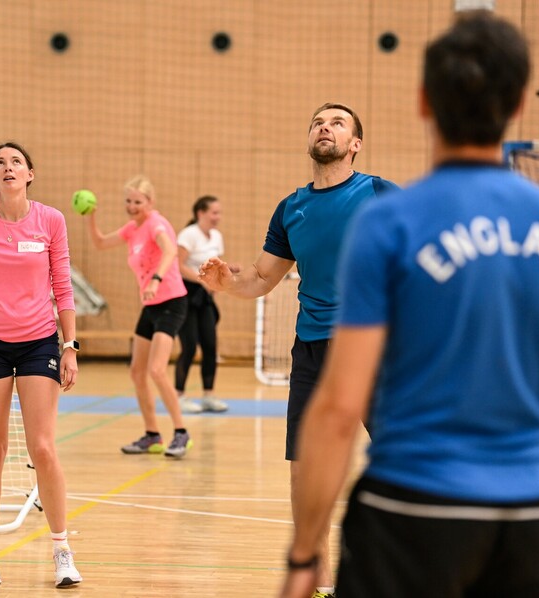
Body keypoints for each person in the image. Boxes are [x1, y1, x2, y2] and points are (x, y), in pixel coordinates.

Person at [281, 11, 539, 598]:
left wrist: (303, 560)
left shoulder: (388, 222)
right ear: (520, 103)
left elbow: (340, 409)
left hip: (409, 508)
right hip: (526, 512)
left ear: (424, 102)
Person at [200, 103, 398, 597]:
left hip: (372, 349)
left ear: (355, 144)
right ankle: (321, 583)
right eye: (317, 122)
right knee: (307, 472)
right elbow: (262, 277)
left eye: (337, 123)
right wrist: (228, 283)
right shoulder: (291, 208)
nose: (324, 127)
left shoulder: (379, 194)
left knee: (402, 461)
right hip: (311, 350)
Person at [0, 141, 82, 588]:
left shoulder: (51, 220)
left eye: (16, 162)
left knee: (42, 448)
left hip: (39, 343)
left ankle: (62, 551)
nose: (7, 167)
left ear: (30, 174)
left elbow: (63, 286)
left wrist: (70, 346)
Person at [82, 174, 193, 458]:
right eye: (128, 201)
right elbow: (100, 243)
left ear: (150, 202)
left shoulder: (156, 224)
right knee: (137, 371)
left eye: (138, 202)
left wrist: (156, 279)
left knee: (157, 370)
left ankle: (181, 432)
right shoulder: (133, 228)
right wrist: (90, 216)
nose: (132, 206)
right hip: (151, 306)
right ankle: (152, 435)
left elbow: (170, 251)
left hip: (172, 302)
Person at [174, 195, 228, 413]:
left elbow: (215, 267)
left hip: (205, 297)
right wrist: (201, 280)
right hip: (185, 295)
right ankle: (179, 396)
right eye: (214, 212)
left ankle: (208, 395)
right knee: (188, 347)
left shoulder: (216, 237)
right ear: (201, 213)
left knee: (210, 345)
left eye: (219, 212)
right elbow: (177, 265)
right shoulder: (189, 234)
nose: (218, 217)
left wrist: (224, 275)